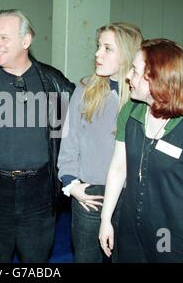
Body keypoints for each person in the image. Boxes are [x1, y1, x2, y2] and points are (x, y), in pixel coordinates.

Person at [0, 9, 75, 262]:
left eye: (3, 37)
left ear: (26, 41)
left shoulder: (55, 83)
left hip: (40, 194)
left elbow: (72, 135)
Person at [99, 38, 183, 263]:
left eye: (135, 71)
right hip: (129, 230)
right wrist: (106, 219)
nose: (128, 77)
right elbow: (118, 169)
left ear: (157, 79)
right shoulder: (130, 112)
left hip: (168, 234)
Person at [57, 23, 143, 262]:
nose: (97, 53)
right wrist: (71, 184)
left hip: (131, 196)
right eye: (98, 46)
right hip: (91, 195)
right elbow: (69, 140)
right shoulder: (85, 89)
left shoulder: (143, 97)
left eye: (107, 48)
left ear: (127, 54)